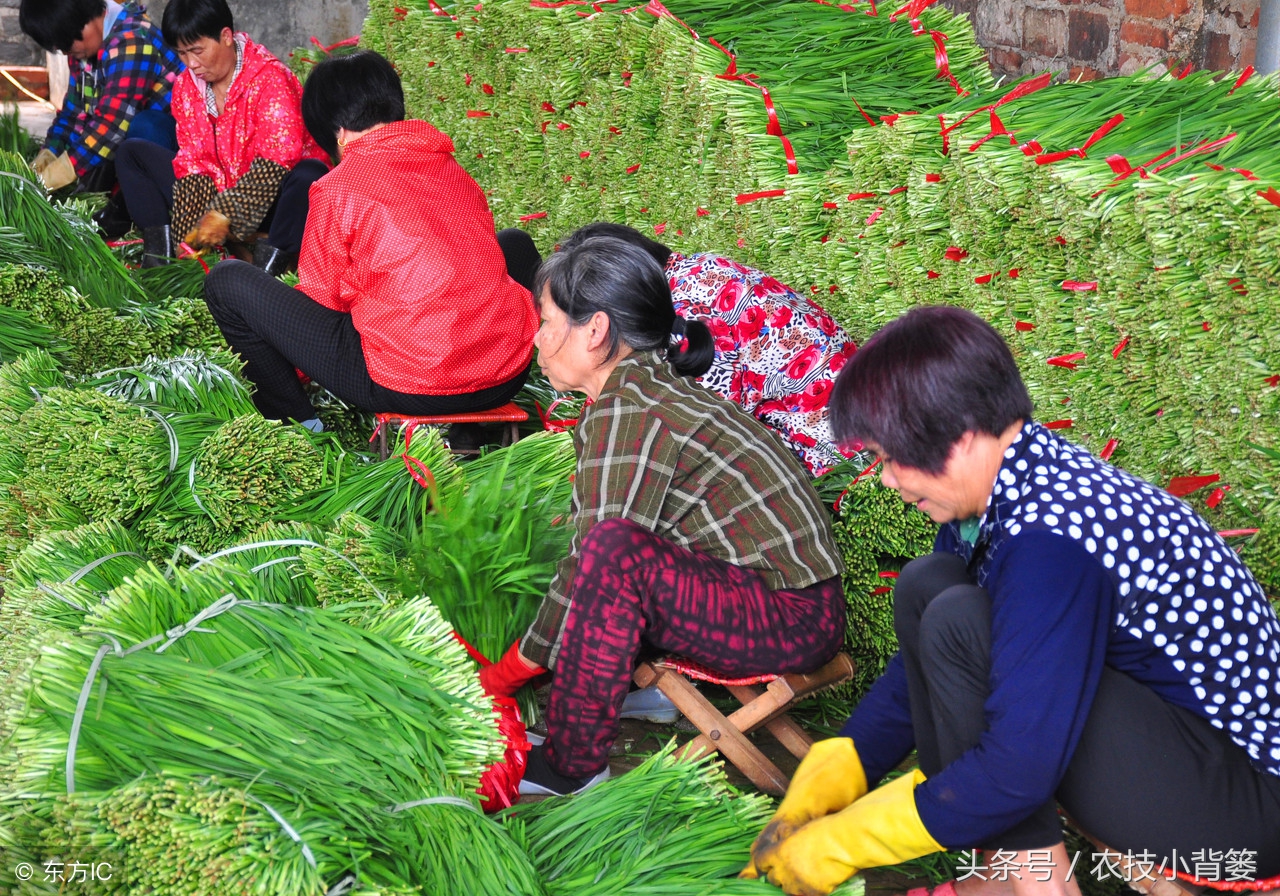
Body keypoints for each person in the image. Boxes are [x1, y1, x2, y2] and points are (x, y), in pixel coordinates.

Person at [746, 306, 1280, 896]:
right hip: (1181, 757)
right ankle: (1010, 874)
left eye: (889, 457)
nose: (887, 479)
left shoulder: (1054, 538)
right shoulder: (1005, 494)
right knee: (931, 586)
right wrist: (844, 763)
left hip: (1245, 807)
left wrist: (849, 841)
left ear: (964, 434)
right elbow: (926, 663)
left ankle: (1030, 885)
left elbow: (1017, 766)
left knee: (958, 621)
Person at [477, 232, 847, 796]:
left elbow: (594, 563)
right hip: (779, 600)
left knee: (610, 553)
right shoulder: (643, 390)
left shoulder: (633, 407)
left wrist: (509, 672)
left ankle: (574, 765)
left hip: (791, 618)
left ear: (595, 331)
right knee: (609, 548)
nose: (539, 337)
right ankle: (635, 695)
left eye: (548, 321)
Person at [201, 50, 537, 430]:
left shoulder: (336, 188)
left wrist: (290, 361)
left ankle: (299, 425)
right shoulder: (451, 168)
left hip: (410, 385)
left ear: (338, 132)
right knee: (514, 242)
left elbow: (323, 302)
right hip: (506, 374)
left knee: (226, 281)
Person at [557, 223, 859, 475]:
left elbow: (717, 429)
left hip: (841, 445)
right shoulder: (697, 266)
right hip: (857, 384)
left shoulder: (679, 319)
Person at [114, 0, 329, 271]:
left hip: (272, 204)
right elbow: (193, 161)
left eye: (197, 50)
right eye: (182, 54)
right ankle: (161, 262)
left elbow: (277, 161)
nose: (191, 63)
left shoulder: (270, 79)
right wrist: (190, 232)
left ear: (226, 37)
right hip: (219, 195)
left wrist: (225, 213)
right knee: (132, 153)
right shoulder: (187, 87)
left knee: (310, 174)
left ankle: (267, 273)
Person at [19, 0, 183, 194]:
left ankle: (158, 213)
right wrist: (49, 153)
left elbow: (112, 126)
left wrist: (64, 170)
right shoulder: (83, 51)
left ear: (85, 20)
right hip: (127, 141)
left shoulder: (132, 41)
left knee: (144, 127)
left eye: (65, 43)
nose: (64, 52)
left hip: (176, 145)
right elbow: (73, 114)